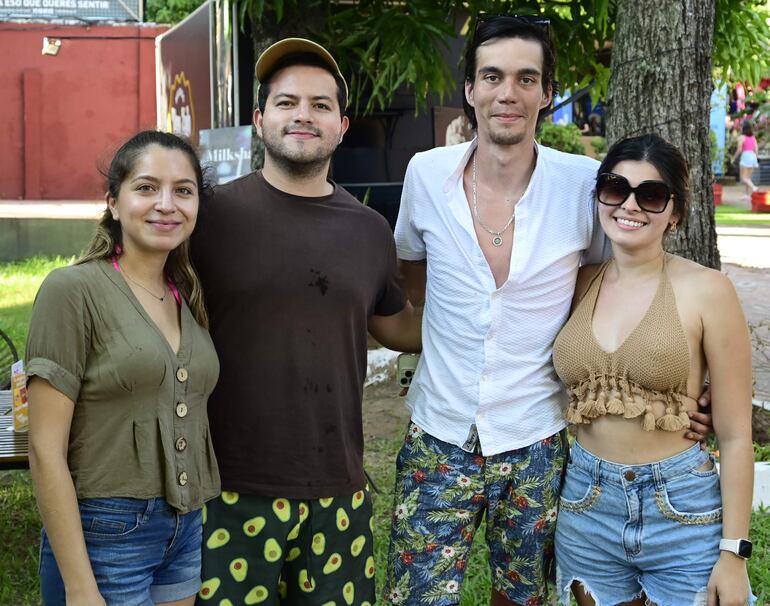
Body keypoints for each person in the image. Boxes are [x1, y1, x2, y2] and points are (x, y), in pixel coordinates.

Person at [385, 15, 711, 606]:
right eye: (491, 76)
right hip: (439, 430)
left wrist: (687, 388)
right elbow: (414, 278)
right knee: (415, 597)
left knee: (525, 598)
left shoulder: (583, 185)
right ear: (470, 89)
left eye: (525, 78)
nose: (507, 93)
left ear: (547, 91)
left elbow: (609, 292)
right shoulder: (424, 175)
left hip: (537, 436)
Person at [190, 38, 421, 605]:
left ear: (341, 126)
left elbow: (396, 327)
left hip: (337, 487)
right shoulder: (208, 216)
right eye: (287, 101)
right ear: (259, 119)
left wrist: (498, 298)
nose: (302, 115)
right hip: (227, 488)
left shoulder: (369, 229)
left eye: (320, 105)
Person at [553, 134, 754, 606]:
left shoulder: (709, 290)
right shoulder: (577, 281)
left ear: (676, 212)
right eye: (615, 187)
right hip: (586, 502)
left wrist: (734, 553)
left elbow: (736, 436)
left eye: (652, 195)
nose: (630, 205)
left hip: (681, 509)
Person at [26, 130, 220, 606]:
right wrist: (79, 584)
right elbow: (43, 447)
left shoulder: (186, 296)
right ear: (113, 202)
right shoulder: (72, 290)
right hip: (105, 530)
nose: (166, 204)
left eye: (183, 190)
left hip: (186, 525)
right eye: (147, 187)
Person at [733, 121, 760, 202]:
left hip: (746, 156)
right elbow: (756, 148)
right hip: (753, 156)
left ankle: (754, 188)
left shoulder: (742, 137)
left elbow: (739, 149)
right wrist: (756, 157)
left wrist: (734, 158)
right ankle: (747, 195)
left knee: (743, 178)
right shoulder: (753, 137)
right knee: (748, 177)